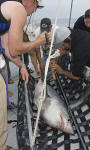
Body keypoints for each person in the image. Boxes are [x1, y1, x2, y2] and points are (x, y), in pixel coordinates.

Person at [0, 0, 50, 150]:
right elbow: (15, 50)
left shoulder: (7, 7)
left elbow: (6, 48)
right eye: (37, 6)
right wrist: (38, 41)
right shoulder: (19, 9)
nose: (35, 10)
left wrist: (21, 65)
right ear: (30, 1)